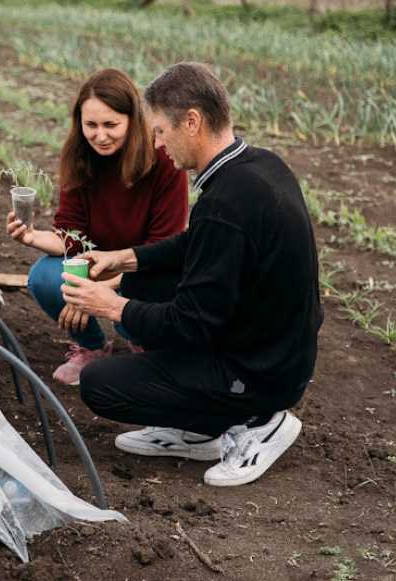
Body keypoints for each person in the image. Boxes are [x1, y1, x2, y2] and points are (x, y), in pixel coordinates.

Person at [60, 62, 323, 487]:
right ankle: (199, 431)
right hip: (277, 347)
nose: (158, 144)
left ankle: (256, 423)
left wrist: (112, 305)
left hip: (261, 374)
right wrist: (125, 259)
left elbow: (191, 322)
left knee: (100, 384)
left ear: (193, 121)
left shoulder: (227, 203)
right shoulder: (258, 167)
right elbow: (195, 244)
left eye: (161, 130)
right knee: (142, 280)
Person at [6, 68, 188, 386]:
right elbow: (72, 237)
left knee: (151, 293)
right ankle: (91, 347)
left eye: (110, 125)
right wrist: (32, 236)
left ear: (132, 120)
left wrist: (98, 292)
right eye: (91, 125)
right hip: (95, 264)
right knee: (44, 277)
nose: (100, 135)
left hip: (146, 270)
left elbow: (164, 249)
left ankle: (141, 342)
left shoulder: (163, 160)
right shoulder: (80, 157)